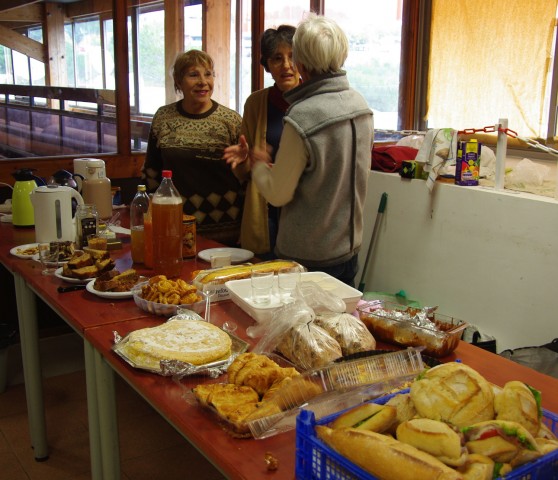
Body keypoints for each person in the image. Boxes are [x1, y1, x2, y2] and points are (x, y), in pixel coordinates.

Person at [246, 14, 374, 286]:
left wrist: (258, 164)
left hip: (306, 257)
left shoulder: (303, 116)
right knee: (338, 327)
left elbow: (278, 194)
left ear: (301, 61)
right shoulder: (360, 105)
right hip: (348, 250)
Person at [142, 50, 244, 247]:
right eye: (193, 74)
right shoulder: (163, 117)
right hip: (175, 228)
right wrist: (149, 218)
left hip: (226, 231)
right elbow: (152, 173)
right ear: (179, 81)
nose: (203, 81)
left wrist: (247, 228)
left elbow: (245, 180)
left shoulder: (231, 120)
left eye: (208, 74)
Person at [223, 25, 300, 258]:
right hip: (265, 210)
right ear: (267, 65)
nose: (286, 65)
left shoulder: (314, 102)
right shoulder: (256, 103)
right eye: (277, 58)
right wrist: (248, 160)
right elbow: (246, 172)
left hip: (302, 210)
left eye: (293, 57)